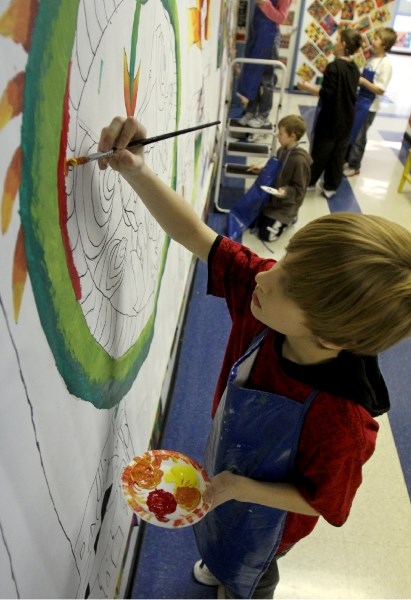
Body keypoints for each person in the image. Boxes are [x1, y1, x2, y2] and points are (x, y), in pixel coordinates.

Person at [98, 116, 411, 600]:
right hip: (228, 471)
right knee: (222, 535)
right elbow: (197, 237)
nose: (266, 276)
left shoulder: (341, 420)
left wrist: (239, 489)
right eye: (284, 262)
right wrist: (137, 171)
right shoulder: (272, 298)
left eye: (286, 283)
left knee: (250, 568)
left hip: (272, 521)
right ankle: (222, 563)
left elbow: (322, 502)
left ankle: (241, 584)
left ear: (328, 338)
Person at [297, 28, 362, 199]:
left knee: (320, 151)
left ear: (343, 44)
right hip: (348, 118)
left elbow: (327, 93)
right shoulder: (355, 68)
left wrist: (306, 87)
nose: (334, 43)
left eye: (337, 40)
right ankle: (331, 187)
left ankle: (310, 182)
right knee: (338, 153)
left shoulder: (334, 67)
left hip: (331, 117)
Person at [344, 27, 398, 177]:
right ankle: (348, 159)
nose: (373, 41)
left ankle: (355, 166)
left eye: (377, 38)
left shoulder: (385, 64)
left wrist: (363, 81)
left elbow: (381, 89)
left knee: (360, 137)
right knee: (353, 132)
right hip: (359, 101)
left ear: (385, 45)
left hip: (369, 106)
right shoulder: (372, 59)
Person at [255, 114, 312, 241]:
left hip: (286, 207)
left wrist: (285, 192)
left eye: (281, 133)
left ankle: (289, 219)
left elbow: (299, 191)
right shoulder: (282, 150)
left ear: (292, 136)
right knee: (253, 222)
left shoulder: (300, 161)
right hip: (273, 202)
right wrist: (263, 170)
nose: (277, 136)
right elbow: (276, 170)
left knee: (266, 235)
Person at [237, 0, 291, 129]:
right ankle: (251, 110)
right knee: (253, 74)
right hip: (257, 32)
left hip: (269, 37)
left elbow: (281, 18)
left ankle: (263, 115)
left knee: (266, 80)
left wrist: (264, 4)